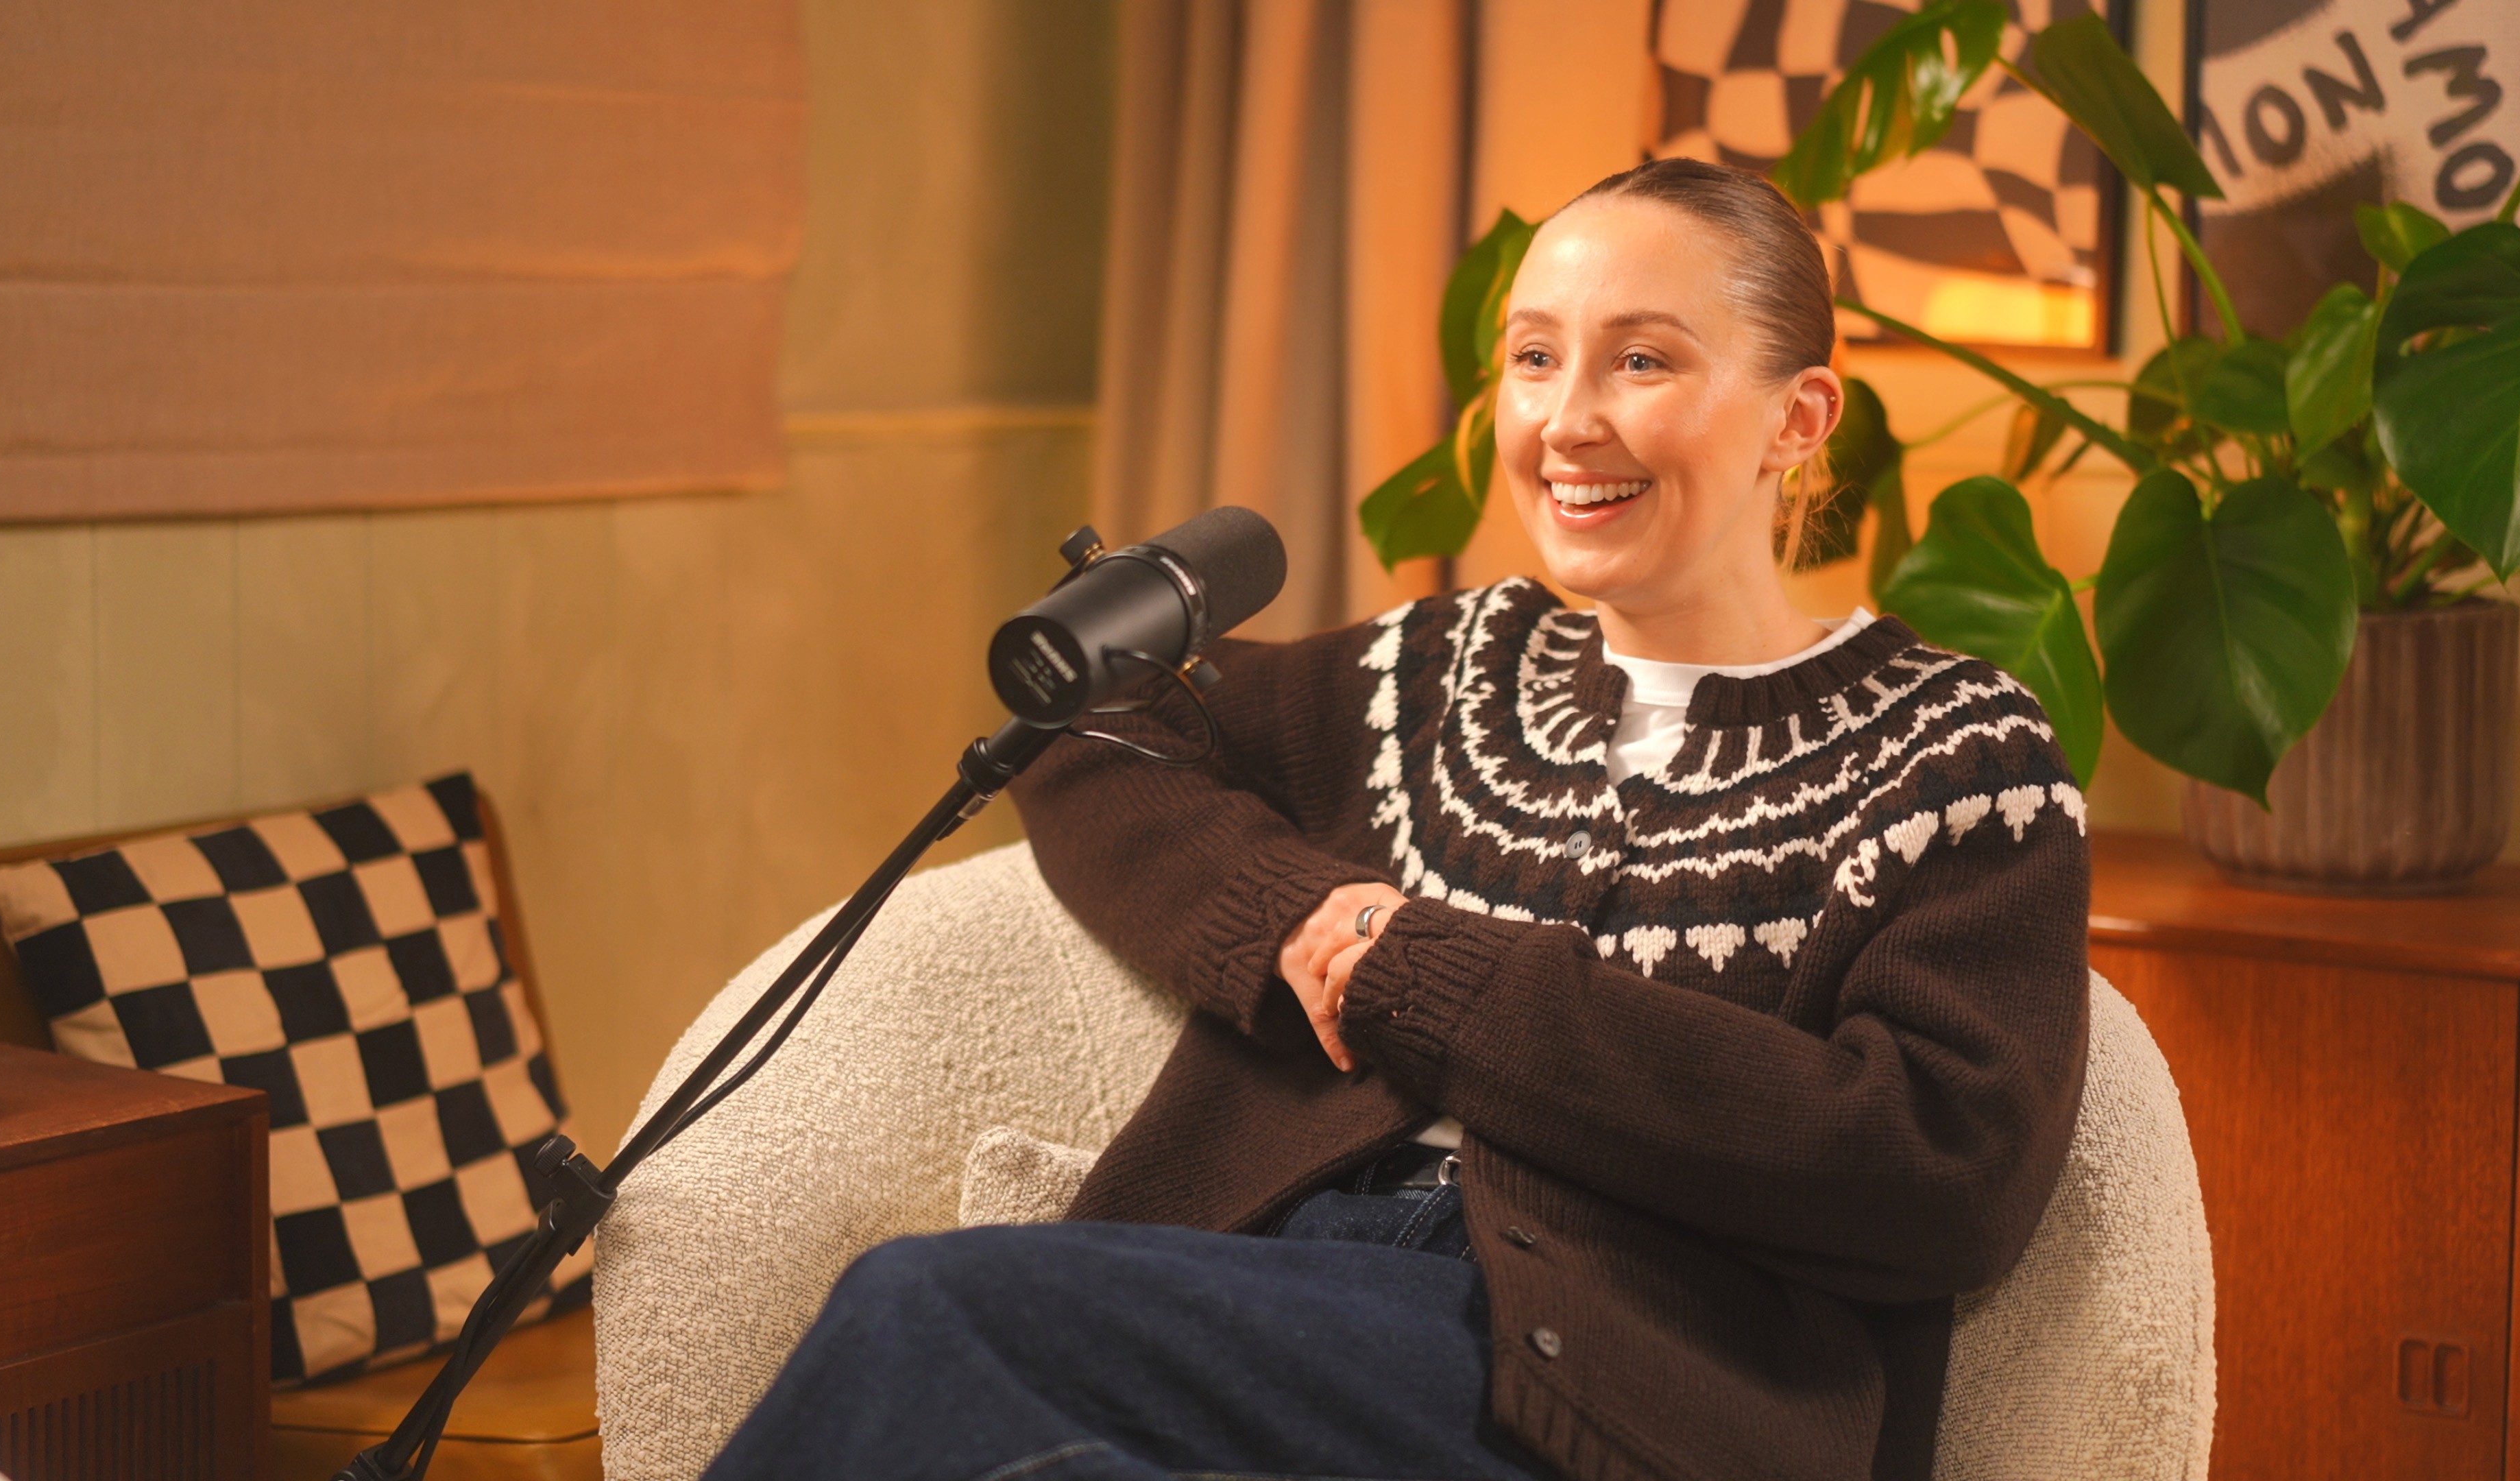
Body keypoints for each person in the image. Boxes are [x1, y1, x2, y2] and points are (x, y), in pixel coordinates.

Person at [705, 157, 2090, 1481]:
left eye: (1644, 359)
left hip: (1613, 1377)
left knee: (929, 1318)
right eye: (1536, 358)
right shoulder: (1447, 674)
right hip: (1291, 1284)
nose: (1566, 419)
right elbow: (1100, 723)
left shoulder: (1955, 755)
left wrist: (1426, 970)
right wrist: (1303, 913)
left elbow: (1939, 1170)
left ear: (1798, 418)